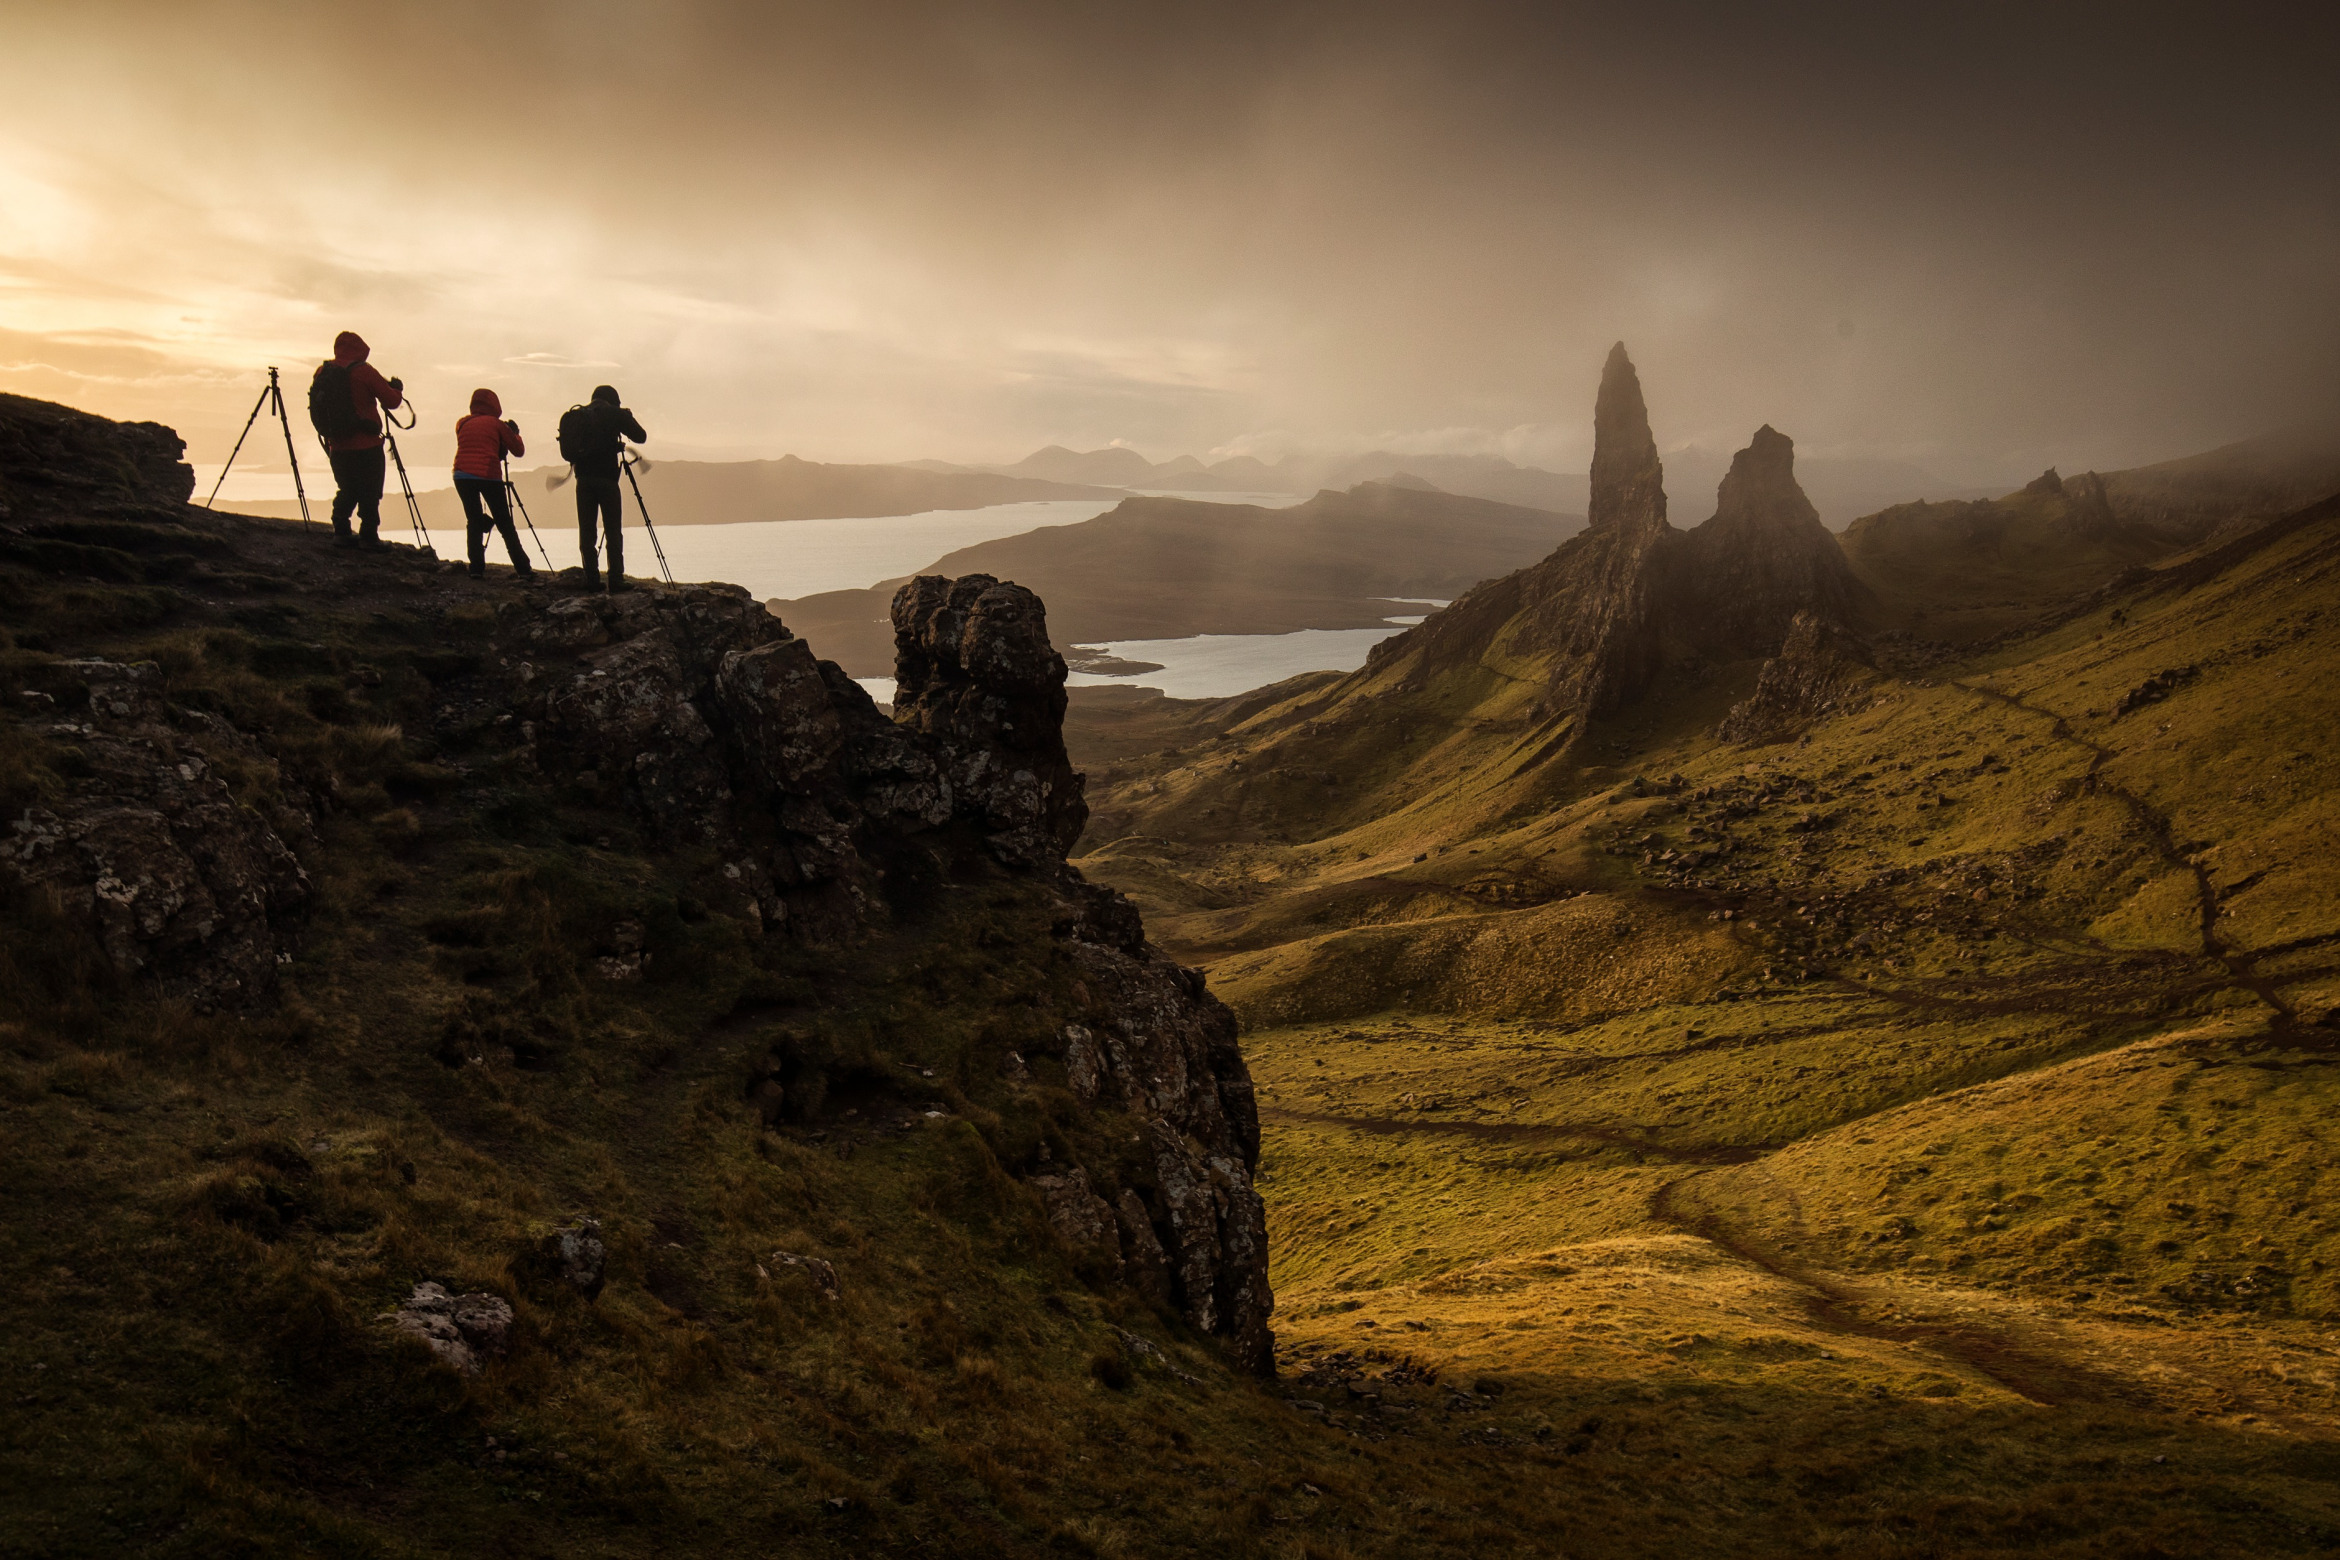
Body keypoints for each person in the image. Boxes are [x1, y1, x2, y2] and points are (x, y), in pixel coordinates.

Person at [312, 331, 404, 549]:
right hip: (366, 444)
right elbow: (391, 401)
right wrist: (397, 389)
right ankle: (369, 537)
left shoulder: (322, 371)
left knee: (347, 488)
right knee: (370, 491)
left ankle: (341, 531)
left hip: (337, 443)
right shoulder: (364, 371)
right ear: (360, 350)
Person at [564, 384, 647, 591]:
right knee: (612, 530)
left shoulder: (579, 416)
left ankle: (592, 579)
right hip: (607, 480)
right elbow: (640, 436)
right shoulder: (614, 414)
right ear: (613, 400)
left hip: (582, 480)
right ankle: (616, 580)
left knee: (587, 530)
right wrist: (625, 417)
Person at [451, 388, 534, 581]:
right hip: (488, 474)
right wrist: (515, 434)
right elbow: (518, 450)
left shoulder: (462, 423)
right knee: (505, 523)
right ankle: (523, 569)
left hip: (461, 474)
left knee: (473, 521)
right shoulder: (497, 424)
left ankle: (476, 569)